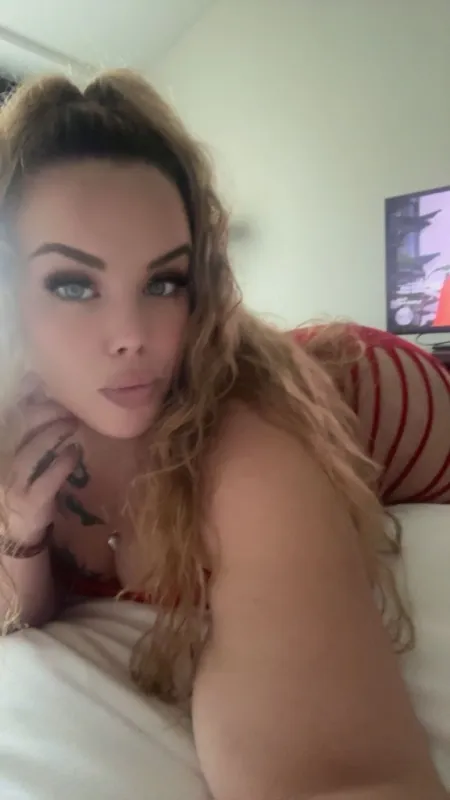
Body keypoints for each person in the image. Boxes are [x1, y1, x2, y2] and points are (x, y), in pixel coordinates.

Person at [0, 71, 445, 800]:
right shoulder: (17, 412)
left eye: (164, 282)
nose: (132, 335)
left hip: (389, 388)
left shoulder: (247, 442)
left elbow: (342, 778)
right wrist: (20, 532)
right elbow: (17, 614)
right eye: (73, 285)